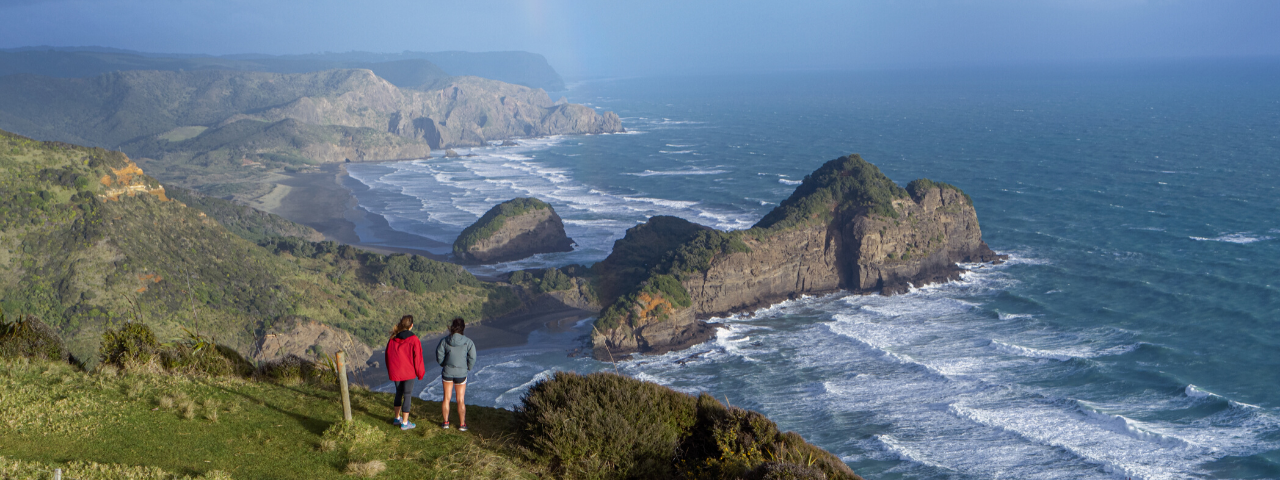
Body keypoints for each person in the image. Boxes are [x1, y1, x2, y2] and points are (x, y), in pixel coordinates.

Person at [436, 317, 476, 431]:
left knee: (446, 398)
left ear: (452, 327)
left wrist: (444, 364)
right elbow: (472, 357)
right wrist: (467, 367)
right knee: (460, 400)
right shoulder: (468, 342)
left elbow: (439, 355)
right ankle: (462, 424)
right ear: (463, 328)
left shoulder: (444, 341)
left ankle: (445, 423)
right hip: (461, 374)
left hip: (447, 372)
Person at [385, 315, 424, 431]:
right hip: (408, 372)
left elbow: (388, 356)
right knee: (407, 395)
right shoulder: (414, 340)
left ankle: (397, 418)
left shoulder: (393, 338)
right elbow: (418, 358)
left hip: (396, 371)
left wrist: (390, 371)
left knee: (398, 392)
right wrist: (420, 373)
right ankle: (405, 423)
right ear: (411, 326)